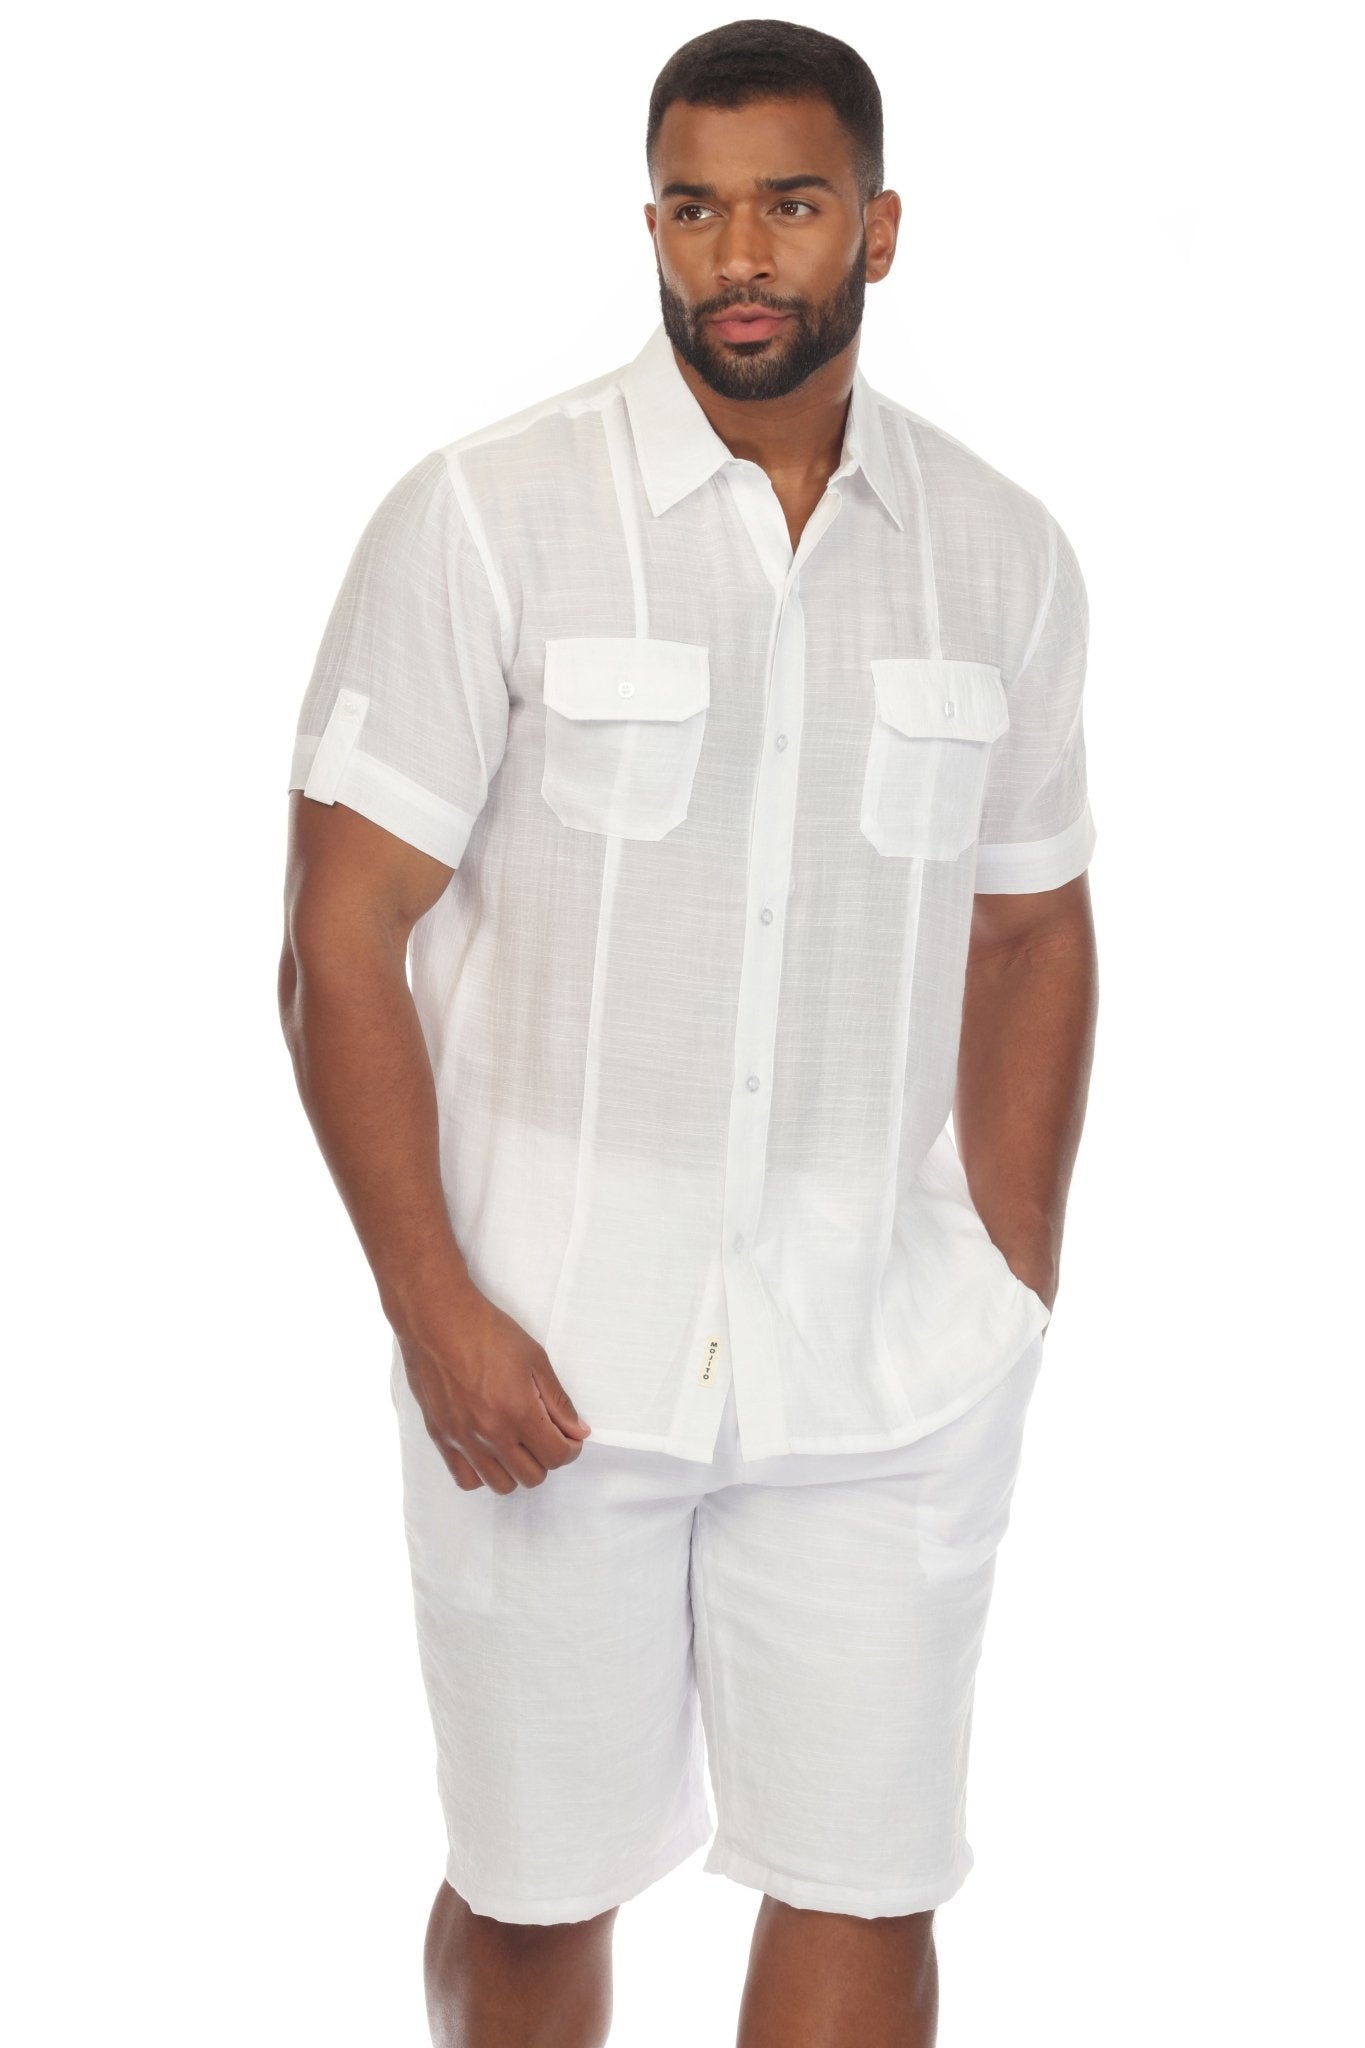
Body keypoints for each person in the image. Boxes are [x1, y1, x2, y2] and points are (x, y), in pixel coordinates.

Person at [277, 18, 1099, 2046]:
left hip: (881, 1368)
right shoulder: (486, 515)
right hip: (540, 1370)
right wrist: (434, 1308)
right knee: (532, 1886)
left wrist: (1004, 1271)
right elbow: (337, 938)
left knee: (867, 1873)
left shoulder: (1000, 552)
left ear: (876, 230)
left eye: (788, 205)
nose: (735, 253)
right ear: (650, 222)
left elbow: (1029, 924)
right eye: (691, 205)